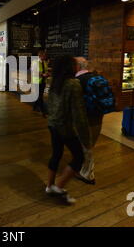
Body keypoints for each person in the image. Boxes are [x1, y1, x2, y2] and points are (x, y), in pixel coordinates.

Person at [46, 55, 89, 204]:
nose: (77, 67)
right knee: (79, 157)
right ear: (69, 67)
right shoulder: (73, 84)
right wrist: (86, 137)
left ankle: (50, 186)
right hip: (65, 127)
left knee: (56, 154)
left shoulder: (53, 82)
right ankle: (59, 186)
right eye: (75, 64)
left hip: (52, 124)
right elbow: (79, 113)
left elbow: (48, 104)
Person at [74, 57, 104, 185]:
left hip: (84, 117)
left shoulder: (77, 81)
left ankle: (88, 174)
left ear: (77, 66)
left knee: (86, 145)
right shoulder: (96, 77)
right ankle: (84, 169)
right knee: (89, 144)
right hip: (98, 116)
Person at [32, 50, 49, 116]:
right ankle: (43, 111)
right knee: (40, 96)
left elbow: (45, 70)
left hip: (43, 81)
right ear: (40, 55)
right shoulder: (35, 62)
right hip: (37, 81)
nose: (45, 56)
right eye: (44, 55)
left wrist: (47, 73)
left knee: (39, 95)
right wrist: (43, 75)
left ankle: (35, 107)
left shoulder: (44, 62)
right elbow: (35, 72)